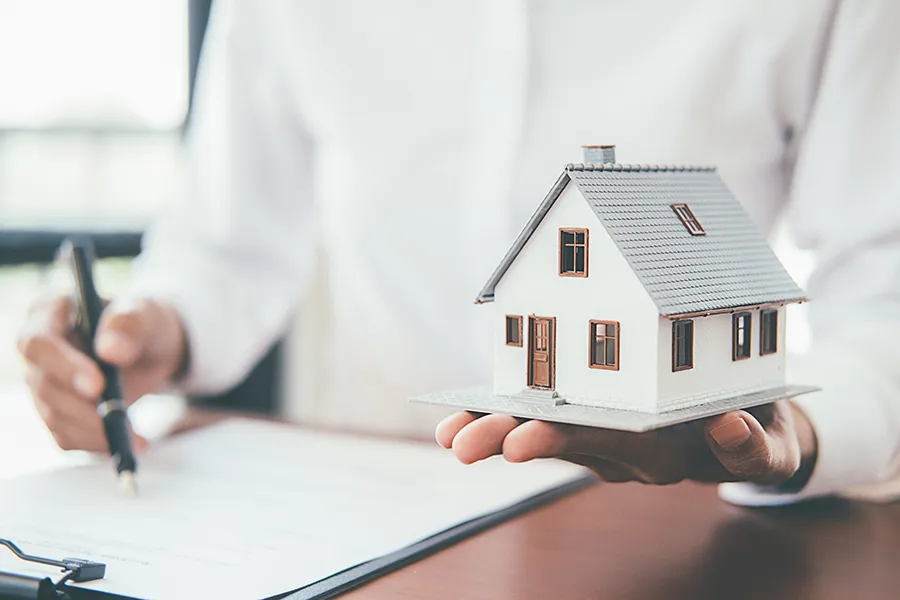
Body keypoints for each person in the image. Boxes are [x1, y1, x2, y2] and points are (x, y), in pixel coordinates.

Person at [16, 0, 900, 506]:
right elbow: (225, 248)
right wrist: (153, 329)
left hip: (681, 535)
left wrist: (800, 431)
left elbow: (884, 285)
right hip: (353, 518)